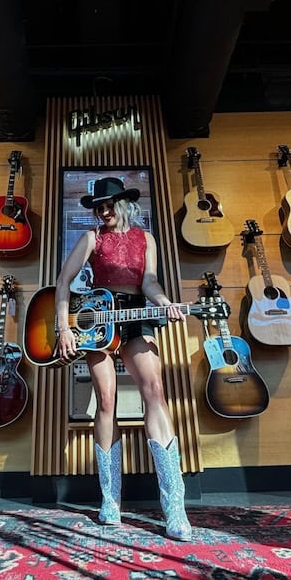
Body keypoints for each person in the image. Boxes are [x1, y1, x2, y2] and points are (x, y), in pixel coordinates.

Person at [54, 177, 192, 541]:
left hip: (134, 314)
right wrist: (63, 328)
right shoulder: (91, 239)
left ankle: (175, 506)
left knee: (155, 391)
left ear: (125, 204)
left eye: (109, 204)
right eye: (98, 206)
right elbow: (63, 282)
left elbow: (149, 282)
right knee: (106, 402)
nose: (103, 210)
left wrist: (164, 304)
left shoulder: (146, 239)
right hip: (97, 318)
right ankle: (110, 500)